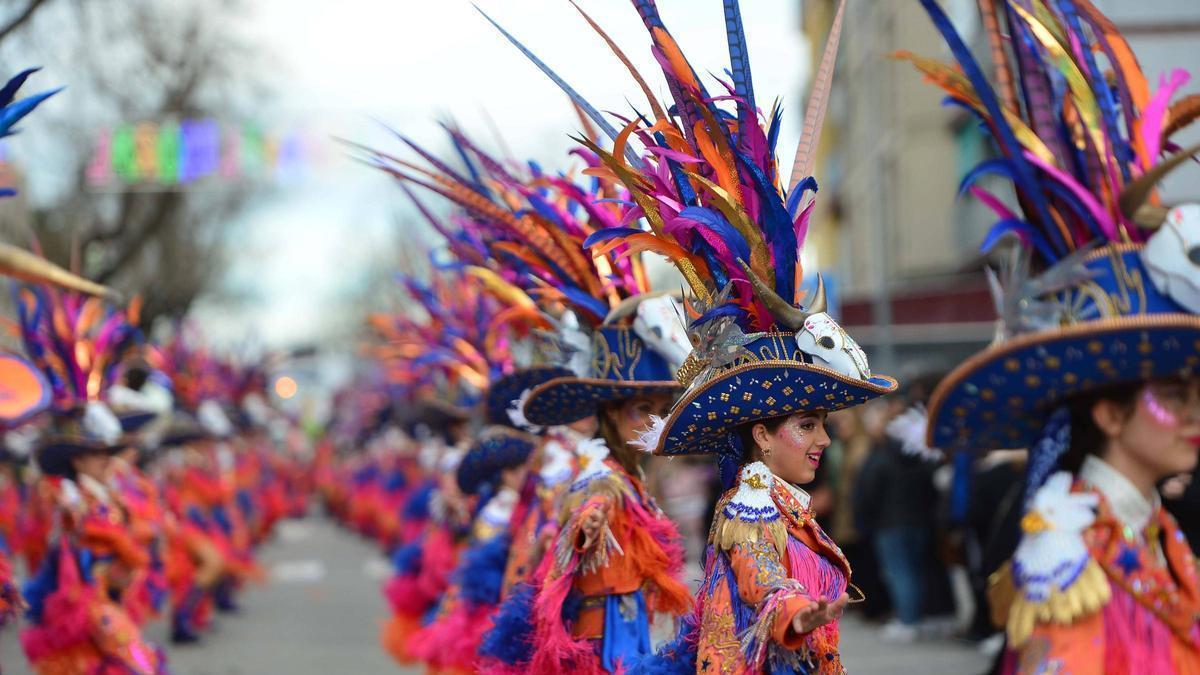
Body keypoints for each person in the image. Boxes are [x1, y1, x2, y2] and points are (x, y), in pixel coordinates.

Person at [907, 0, 1200, 671]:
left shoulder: (1152, 532)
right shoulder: (1064, 556)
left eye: (1194, 392)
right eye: (1173, 394)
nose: (1193, 414)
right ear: (1108, 410)